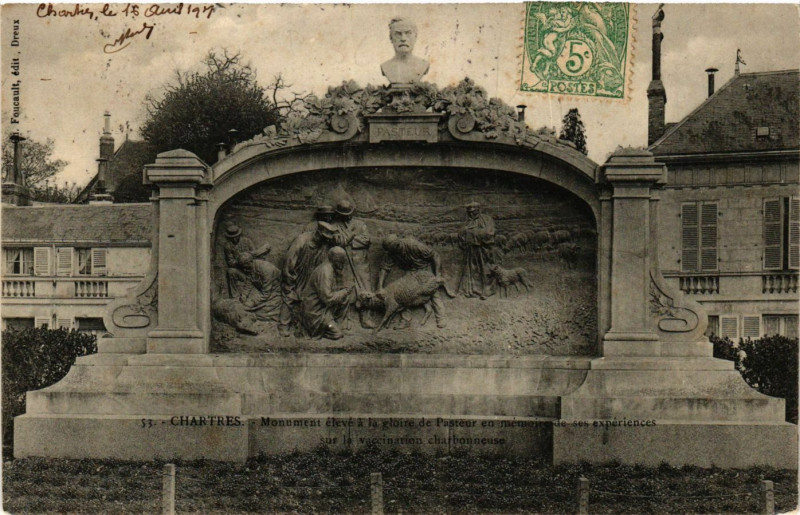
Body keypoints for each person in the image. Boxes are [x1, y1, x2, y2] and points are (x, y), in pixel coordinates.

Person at [278, 221, 336, 336]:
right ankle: (283, 325)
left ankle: (305, 326)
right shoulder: (301, 240)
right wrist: (290, 278)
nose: (327, 240)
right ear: (318, 233)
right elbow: (290, 260)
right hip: (296, 275)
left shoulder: (324, 245)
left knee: (310, 300)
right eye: (325, 237)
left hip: (310, 277)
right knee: (290, 296)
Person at [378, 233, 446, 328]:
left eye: (392, 250)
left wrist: (438, 275)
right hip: (411, 272)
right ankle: (406, 320)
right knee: (402, 293)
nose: (391, 253)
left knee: (433, 292)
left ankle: (441, 318)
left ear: (397, 244)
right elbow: (384, 268)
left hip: (424, 269)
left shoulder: (413, 244)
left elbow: (435, 255)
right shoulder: (391, 251)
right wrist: (380, 287)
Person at [299, 247, 353, 340]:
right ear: (336, 260)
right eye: (342, 260)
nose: (343, 263)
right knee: (337, 334)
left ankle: (336, 323)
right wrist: (345, 291)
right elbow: (327, 298)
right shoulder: (326, 271)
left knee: (345, 298)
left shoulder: (329, 269)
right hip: (315, 312)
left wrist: (344, 291)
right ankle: (323, 328)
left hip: (323, 308)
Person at [457, 202, 496, 299]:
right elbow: (461, 233)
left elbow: (489, 232)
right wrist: (465, 234)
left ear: (478, 210)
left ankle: (488, 290)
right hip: (471, 249)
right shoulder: (468, 222)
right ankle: (474, 290)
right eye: (469, 212)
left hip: (483, 249)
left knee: (485, 269)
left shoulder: (486, 219)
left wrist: (473, 233)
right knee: (472, 269)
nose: (470, 214)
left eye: (473, 212)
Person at [222, 222, 271, 298]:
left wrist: (249, 257)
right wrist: (241, 260)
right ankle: (235, 297)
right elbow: (230, 262)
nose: (235, 238)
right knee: (231, 271)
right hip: (241, 272)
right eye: (232, 237)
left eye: (236, 236)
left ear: (239, 235)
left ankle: (263, 293)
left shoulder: (247, 241)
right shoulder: (228, 246)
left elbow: (255, 255)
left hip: (251, 270)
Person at [235, 251, 282, 322]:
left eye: (245, 267)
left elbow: (266, 293)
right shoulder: (250, 268)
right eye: (243, 268)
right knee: (251, 309)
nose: (244, 270)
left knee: (261, 314)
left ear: (250, 262)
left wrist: (251, 302)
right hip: (266, 293)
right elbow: (249, 282)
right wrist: (244, 295)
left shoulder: (266, 269)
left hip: (276, 293)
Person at [380, 17, 430, 85]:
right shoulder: (385, 66)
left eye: (408, 33)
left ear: (415, 37)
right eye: (398, 34)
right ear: (391, 38)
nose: (403, 39)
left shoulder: (423, 65)